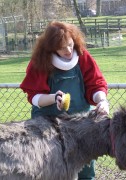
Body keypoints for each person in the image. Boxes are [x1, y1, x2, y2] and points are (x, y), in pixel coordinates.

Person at [20, 21, 109, 180]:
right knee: (50, 170)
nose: (68, 50)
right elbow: (34, 97)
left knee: (86, 172)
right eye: (62, 48)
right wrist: (54, 98)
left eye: (70, 44)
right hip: (47, 126)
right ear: (51, 48)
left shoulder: (83, 57)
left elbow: (96, 85)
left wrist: (102, 101)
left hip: (82, 124)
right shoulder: (39, 63)